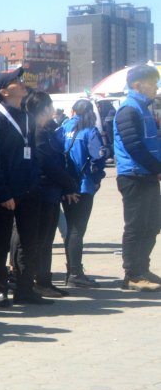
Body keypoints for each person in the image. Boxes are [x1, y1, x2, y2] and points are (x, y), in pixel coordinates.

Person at [0, 67, 46, 306]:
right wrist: (4, 192)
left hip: (29, 190)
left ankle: (25, 288)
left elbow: (33, 153)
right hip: (5, 194)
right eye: (16, 80)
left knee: (30, 241)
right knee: (0, 241)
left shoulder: (28, 116)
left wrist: (34, 181)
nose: (21, 82)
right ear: (4, 91)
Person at [23, 90, 80, 298]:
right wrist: (70, 185)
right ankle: (40, 282)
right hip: (44, 192)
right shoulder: (37, 132)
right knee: (42, 240)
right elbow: (48, 164)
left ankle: (44, 281)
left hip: (53, 192)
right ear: (45, 108)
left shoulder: (46, 129)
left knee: (46, 240)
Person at [112, 65, 161, 291]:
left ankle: (143, 269)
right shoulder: (128, 109)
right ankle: (131, 274)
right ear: (137, 85)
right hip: (134, 177)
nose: (156, 88)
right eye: (153, 83)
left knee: (152, 225)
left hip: (148, 176)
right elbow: (133, 146)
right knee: (136, 226)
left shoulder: (143, 109)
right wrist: (156, 169)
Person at [60, 99, 108, 287]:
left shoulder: (63, 128)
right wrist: (97, 179)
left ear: (72, 111)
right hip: (83, 186)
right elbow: (98, 157)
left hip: (65, 185)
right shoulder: (89, 130)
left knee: (71, 229)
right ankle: (75, 273)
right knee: (77, 230)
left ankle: (71, 270)